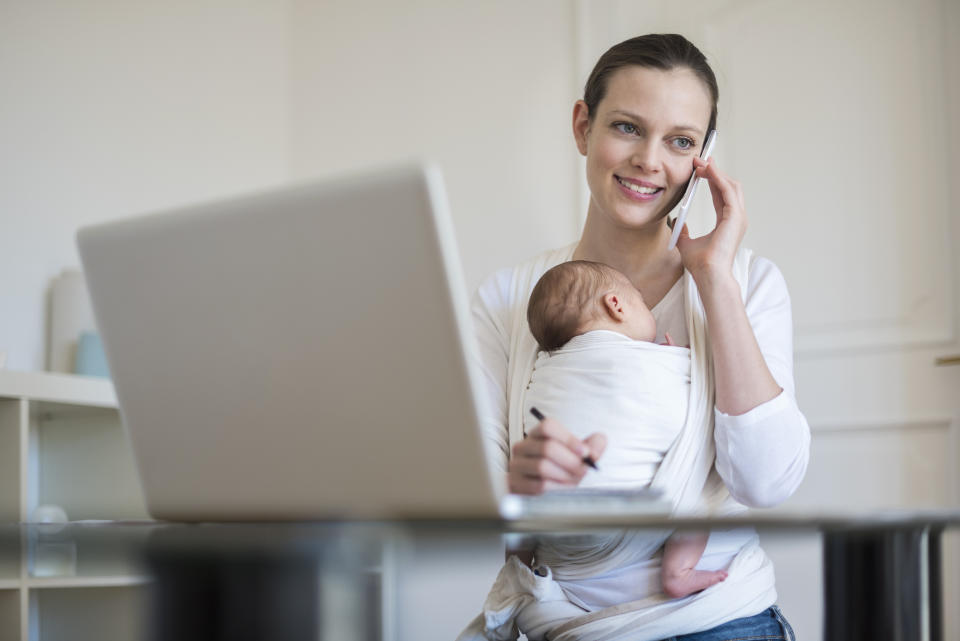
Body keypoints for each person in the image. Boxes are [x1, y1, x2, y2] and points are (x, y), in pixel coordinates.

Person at [459, 33, 808, 640]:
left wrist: (714, 277)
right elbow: (471, 510)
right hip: (570, 626)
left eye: (681, 141)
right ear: (582, 128)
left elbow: (766, 480)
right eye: (626, 127)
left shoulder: (748, 283)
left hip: (721, 621)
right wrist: (518, 482)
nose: (651, 159)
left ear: (704, 157)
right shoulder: (509, 298)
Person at [524, 258, 727, 600]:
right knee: (699, 482)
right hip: (631, 512)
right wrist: (675, 356)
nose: (649, 311)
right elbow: (701, 382)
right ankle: (679, 571)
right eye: (642, 303)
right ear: (616, 305)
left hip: (557, 530)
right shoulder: (655, 360)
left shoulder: (545, 370)